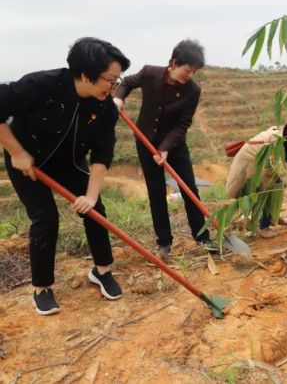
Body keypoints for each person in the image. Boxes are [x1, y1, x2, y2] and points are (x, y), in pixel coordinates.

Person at [0, 37, 130, 315]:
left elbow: (102, 154)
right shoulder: (41, 85)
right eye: (110, 79)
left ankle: (102, 271)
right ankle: (42, 287)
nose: (114, 86)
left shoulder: (105, 107)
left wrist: (91, 195)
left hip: (68, 162)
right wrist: (16, 152)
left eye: (118, 80)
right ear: (85, 74)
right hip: (27, 162)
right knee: (45, 219)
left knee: (96, 210)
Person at [113, 39, 214, 257]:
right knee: (156, 192)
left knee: (190, 189)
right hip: (145, 142)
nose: (190, 75)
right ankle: (164, 243)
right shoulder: (150, 73)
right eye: (188, 70)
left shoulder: (193, 90)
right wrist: (119, 98)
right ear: (174, 63)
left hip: (175, 145)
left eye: (194, 71)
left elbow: (183, 124)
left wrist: (166, 148)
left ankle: (202, 238)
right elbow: (126, 83)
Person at [226, 120, 287, 239]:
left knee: (280, 181)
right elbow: (282, 170)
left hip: (264, 164)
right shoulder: (276, 143)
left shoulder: (286, 138)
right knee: (263, 191)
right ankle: (263, 226)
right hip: (251, 164)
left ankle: (273, 216)